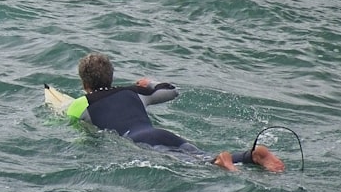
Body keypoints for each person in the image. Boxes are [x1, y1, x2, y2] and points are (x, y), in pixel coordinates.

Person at [66, 53, 283, 172]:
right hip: (161, 133)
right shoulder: (134, 92)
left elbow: (69, 127)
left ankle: (224, 165)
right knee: (202, 156)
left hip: (138, 142)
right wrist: (150, 83)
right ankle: (251, 156)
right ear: (111, 76)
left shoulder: (80, 104)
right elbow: (172, 91)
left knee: (197, 165)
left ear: (84, 82)